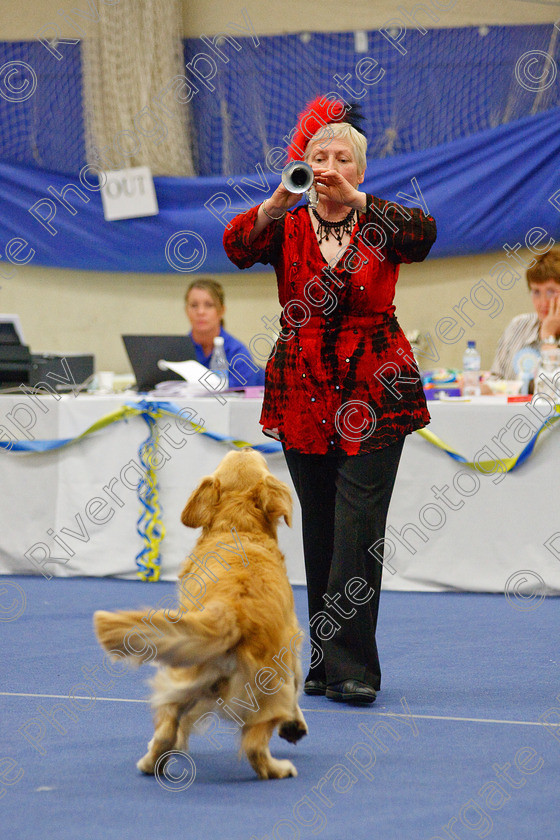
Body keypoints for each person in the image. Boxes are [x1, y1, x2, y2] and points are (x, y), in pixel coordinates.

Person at [223, 96, 437, 705]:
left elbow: (424, 237)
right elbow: (235, 247)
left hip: (376, 384)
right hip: (304, 386)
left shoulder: (382, 220)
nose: (329, 166)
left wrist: (359, 201)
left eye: (343, 159)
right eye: (318, 156)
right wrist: (274, 203)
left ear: (361, 172)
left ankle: (352, 667)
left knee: (357, 527)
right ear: (301, 164)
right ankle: (322, 660)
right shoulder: (287, 224)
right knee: (318, 526)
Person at [488, 247, 560, 381]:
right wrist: (477, 387)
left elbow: (553, 391)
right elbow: (495, 380)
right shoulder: (518, 325)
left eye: (551, 292)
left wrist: (548, 336)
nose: (543, 302)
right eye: (536, 292)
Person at [185, 278, 265, 387]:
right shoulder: (178, 351)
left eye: (209, 305)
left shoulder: (237, 352)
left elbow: (243, 400)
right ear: (186, 310)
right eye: (194, 305)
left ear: (221, 310)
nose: (200, 312)